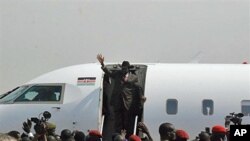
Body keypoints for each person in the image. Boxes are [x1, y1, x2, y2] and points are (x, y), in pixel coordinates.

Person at [97, 54, 146, 137]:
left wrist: (141, 97)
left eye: (125, 68)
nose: (123, 70)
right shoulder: (117, 74)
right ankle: (117, 136)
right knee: (117, 122)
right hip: (117, 101)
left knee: (127, 122)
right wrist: (102, 64)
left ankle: (126, 137)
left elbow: (138, 88)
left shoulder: (133, 77)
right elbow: (109, 73)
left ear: (128, 68)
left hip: (128, 103)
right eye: (122, 68)